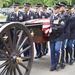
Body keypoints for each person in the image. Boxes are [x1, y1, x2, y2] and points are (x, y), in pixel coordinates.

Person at [49, 4, 66, 71]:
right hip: (52, 37)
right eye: (54, 9)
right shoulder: (51, 16)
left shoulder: (62, 17)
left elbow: (61, 27)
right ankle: (53, 65)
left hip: (59, 36)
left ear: (59, 9)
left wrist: (53, 29)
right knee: (52, 51)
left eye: (56, 9)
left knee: (57, 49)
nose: (54, 10)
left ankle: (58, 62)